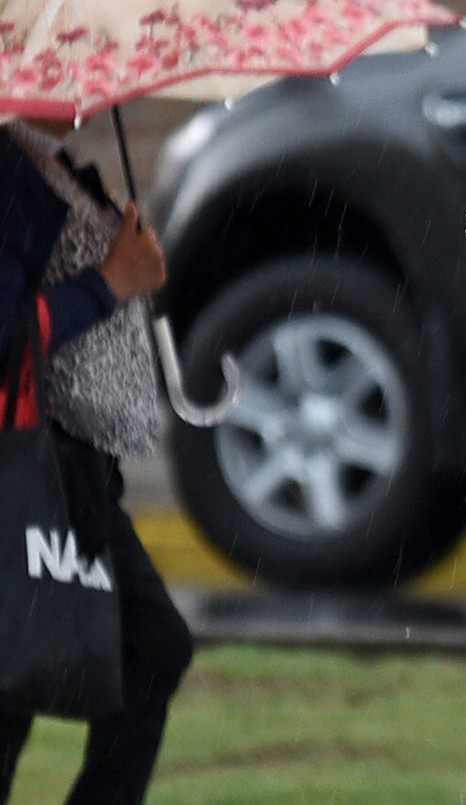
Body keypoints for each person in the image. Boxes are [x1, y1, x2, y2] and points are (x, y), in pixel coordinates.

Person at [0, 117, 193, 804]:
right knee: (23, 674)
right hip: (26, 468)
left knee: (146, 647)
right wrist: (112, 280)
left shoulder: (49, 163)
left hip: (66, 465)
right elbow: (8, 333)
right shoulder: (9, 172)